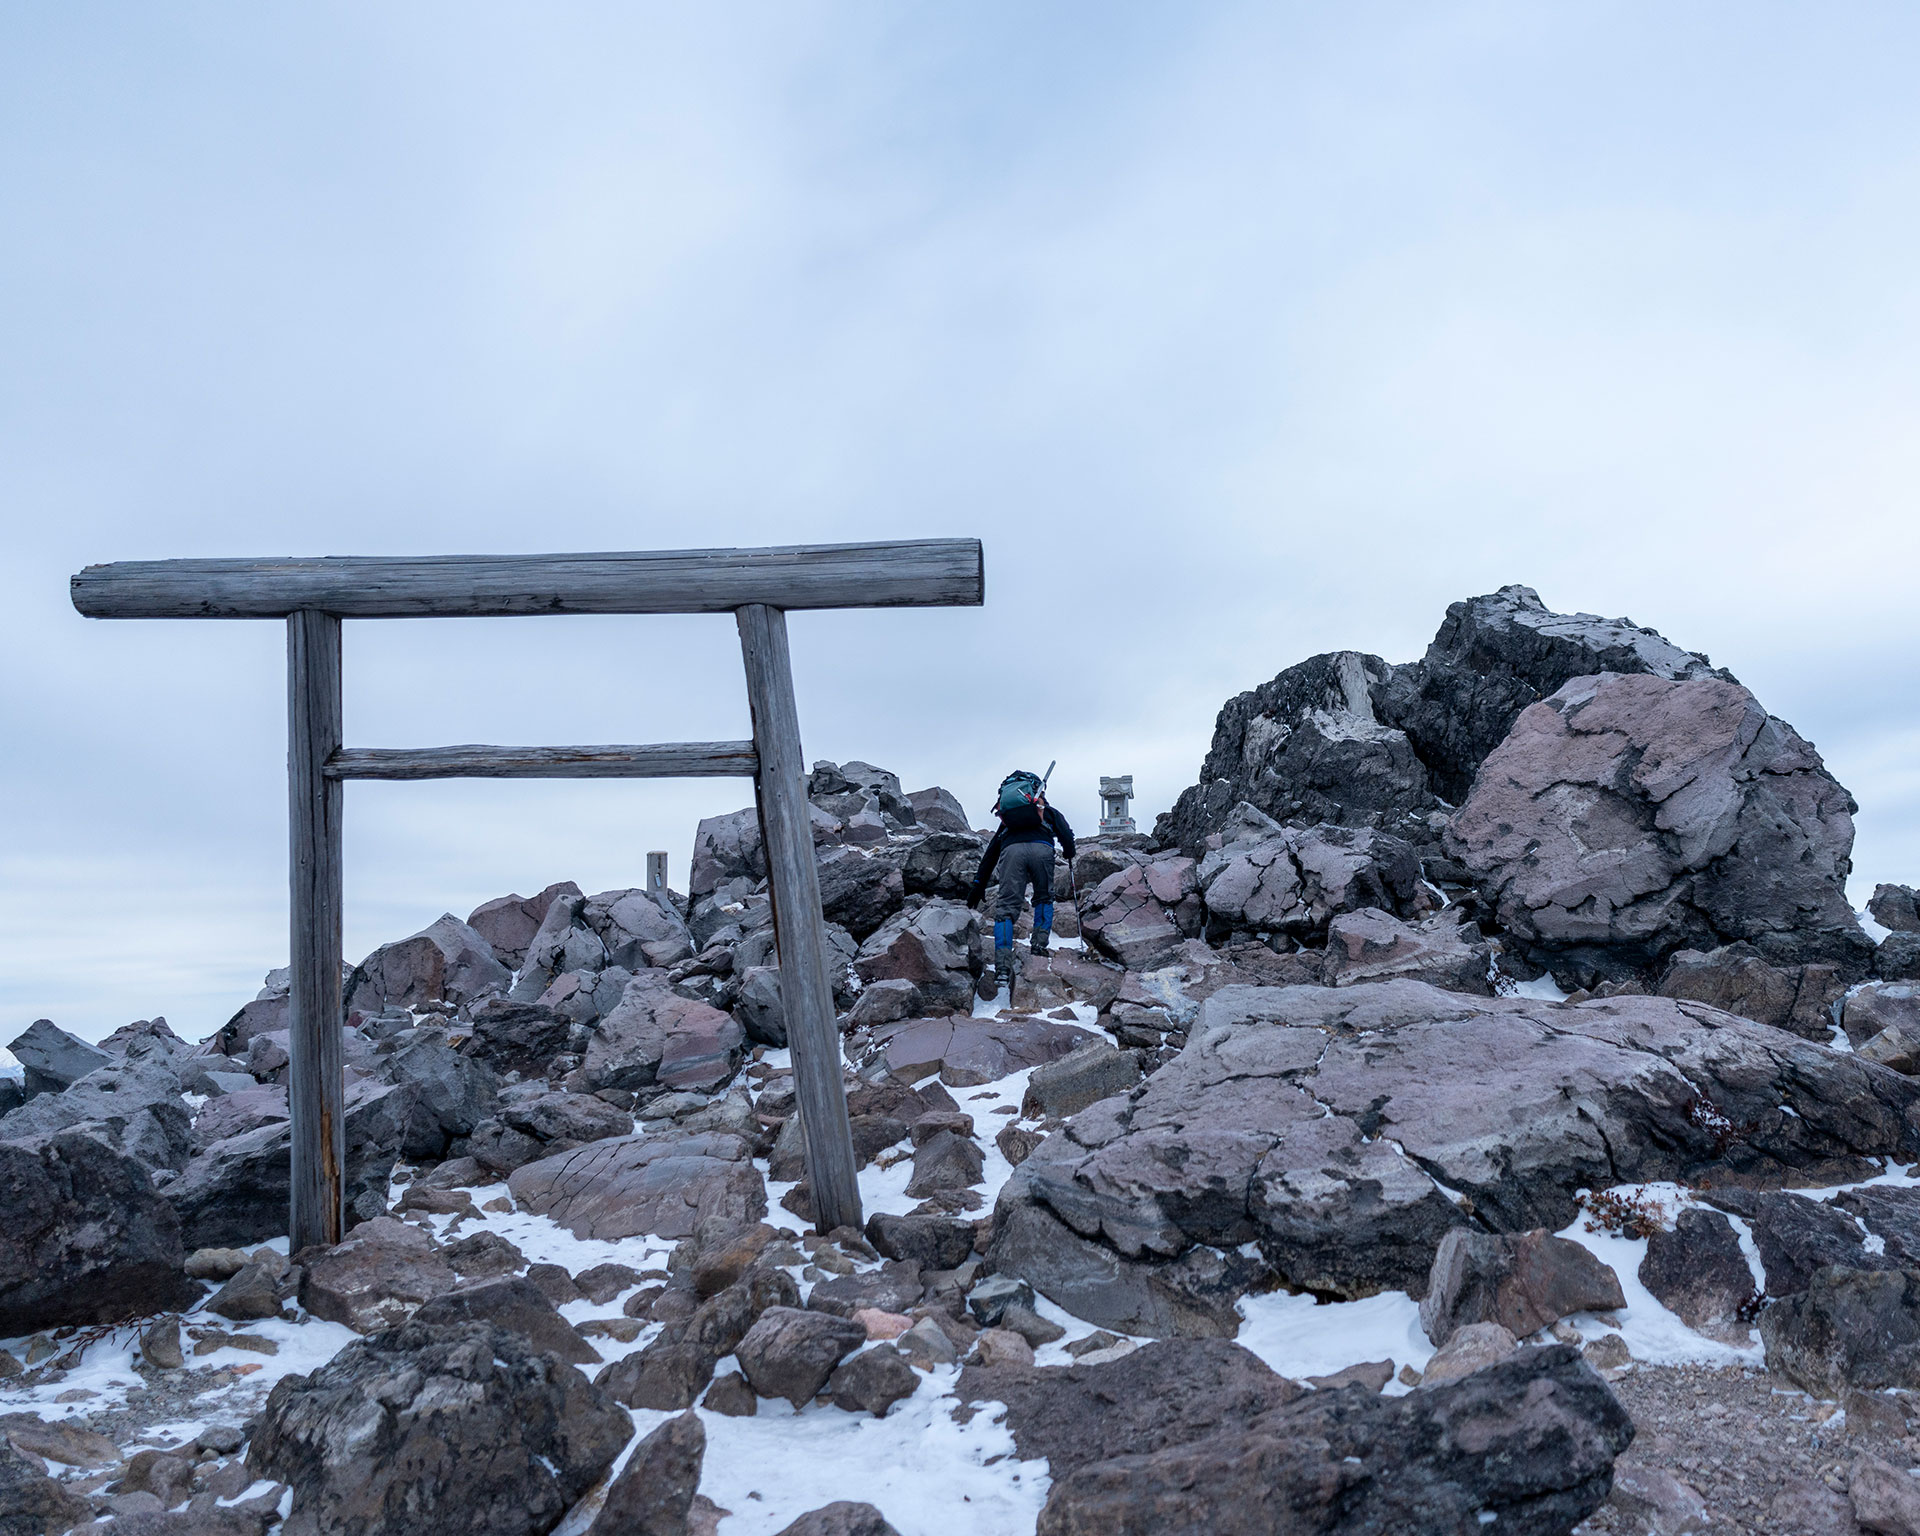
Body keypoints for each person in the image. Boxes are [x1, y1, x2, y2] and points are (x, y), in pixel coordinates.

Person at [967, 769, 1076, 998]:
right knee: (1044, 897)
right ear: (1038, 792)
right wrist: (1069, 852)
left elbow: (990, 854)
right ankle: (1038, 947)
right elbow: (1066, 834)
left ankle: (1003, 968)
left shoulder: (1008, 820)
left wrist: (978, 886)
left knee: (1006, 909)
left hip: (1011, 852)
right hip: (1042, 850)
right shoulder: (1047, 811)